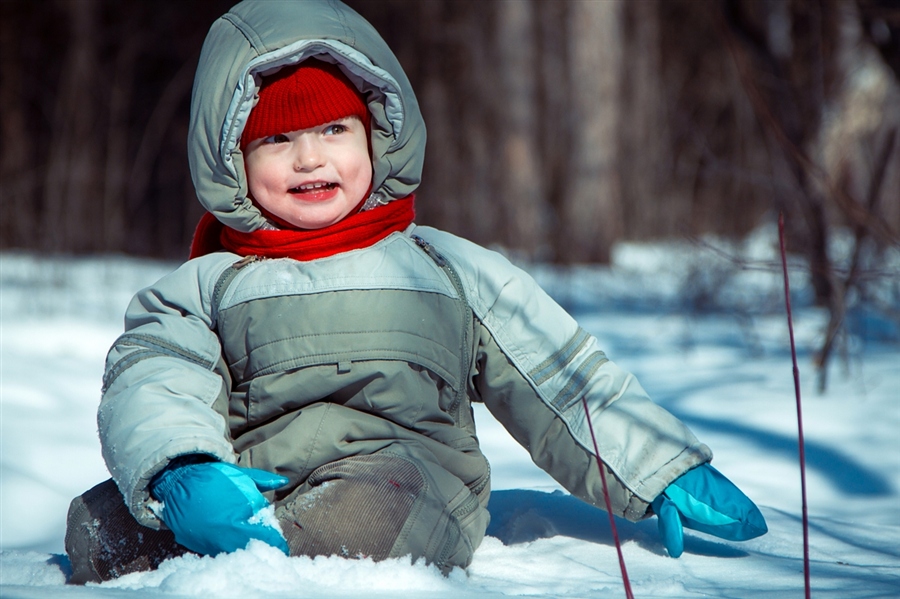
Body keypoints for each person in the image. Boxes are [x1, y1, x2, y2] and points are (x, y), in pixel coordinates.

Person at [65, 0, 766, 584]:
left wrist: (659, 466)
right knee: (92, 522)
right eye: (276, 138)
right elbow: (155, 376)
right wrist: (182, 466)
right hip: (257, 485)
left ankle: (252, 559)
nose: (309, 157)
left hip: (412, 487)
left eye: (334, 130)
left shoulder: (443, 266)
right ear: (230, 161)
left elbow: (557, 374)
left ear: (378, 139)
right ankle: (234, 541)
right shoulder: (208, 281)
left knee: (373, 504)